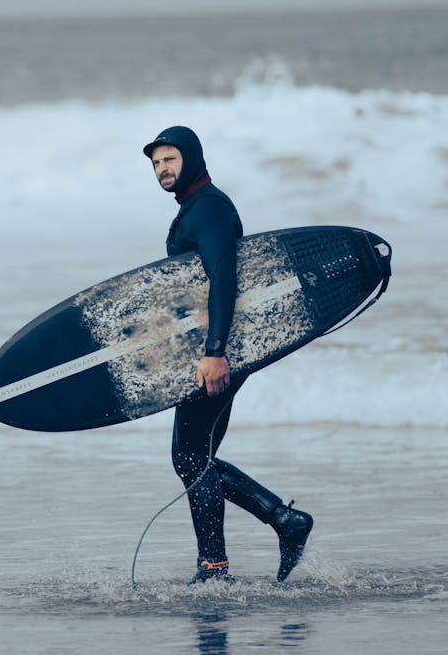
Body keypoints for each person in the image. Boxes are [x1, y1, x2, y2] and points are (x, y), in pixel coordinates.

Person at [142, 125, 314, 584]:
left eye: (170, 159)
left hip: (218, 352)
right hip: (206, 351)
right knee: (195, 458)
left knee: (191, 459)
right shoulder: (193, 210)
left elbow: (225, 280)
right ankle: (281, 523)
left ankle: (216, 567)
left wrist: (215, 352)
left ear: (192, 158)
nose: (162, 169)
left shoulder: (210, 209)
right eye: (156, 163)